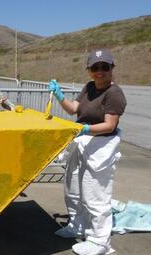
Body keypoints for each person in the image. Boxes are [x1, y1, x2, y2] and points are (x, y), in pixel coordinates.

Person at [50, 49, 127, 255]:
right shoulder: (89, 87)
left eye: (104, 67)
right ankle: (77, 225)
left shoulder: (114, 93)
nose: (99, 71)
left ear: (112, 68)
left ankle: (100, 241)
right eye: (95, 67)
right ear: (89, 70)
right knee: (73, 187)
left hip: (101, 146)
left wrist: (84, 128)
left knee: (96, 194)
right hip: (82, 141)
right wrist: (60, 96)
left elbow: (109, 125)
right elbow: (73, 109)